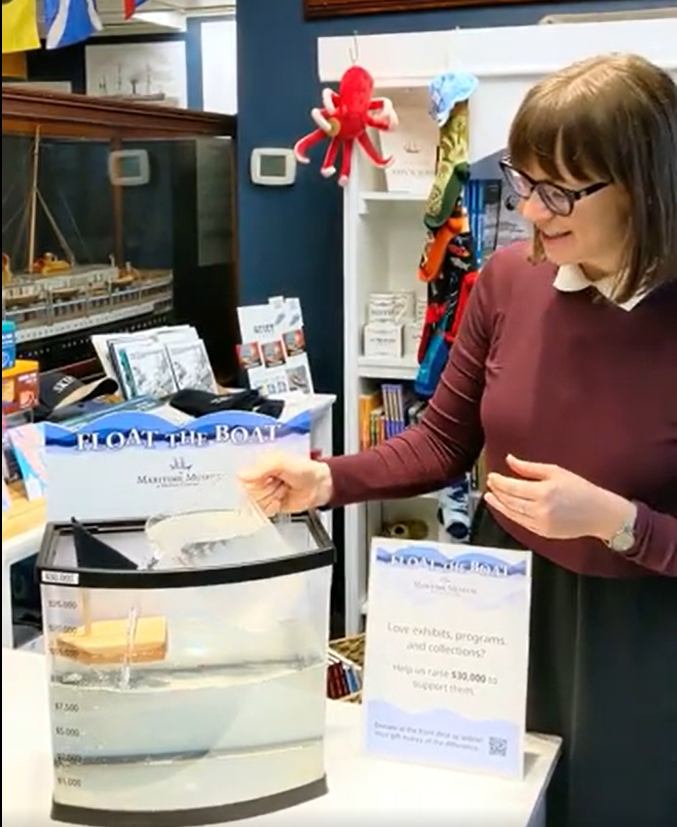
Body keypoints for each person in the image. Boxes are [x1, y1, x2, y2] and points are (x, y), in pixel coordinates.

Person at [240, 53, 676, 827]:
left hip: (640, 631)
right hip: (498, 601)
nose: (534, 209)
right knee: (484, 804)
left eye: (561, 189)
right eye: (523, 180)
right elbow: (440, 440)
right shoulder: (508, 282)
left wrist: (618, 521)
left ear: (646, 181)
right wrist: (326, 480)